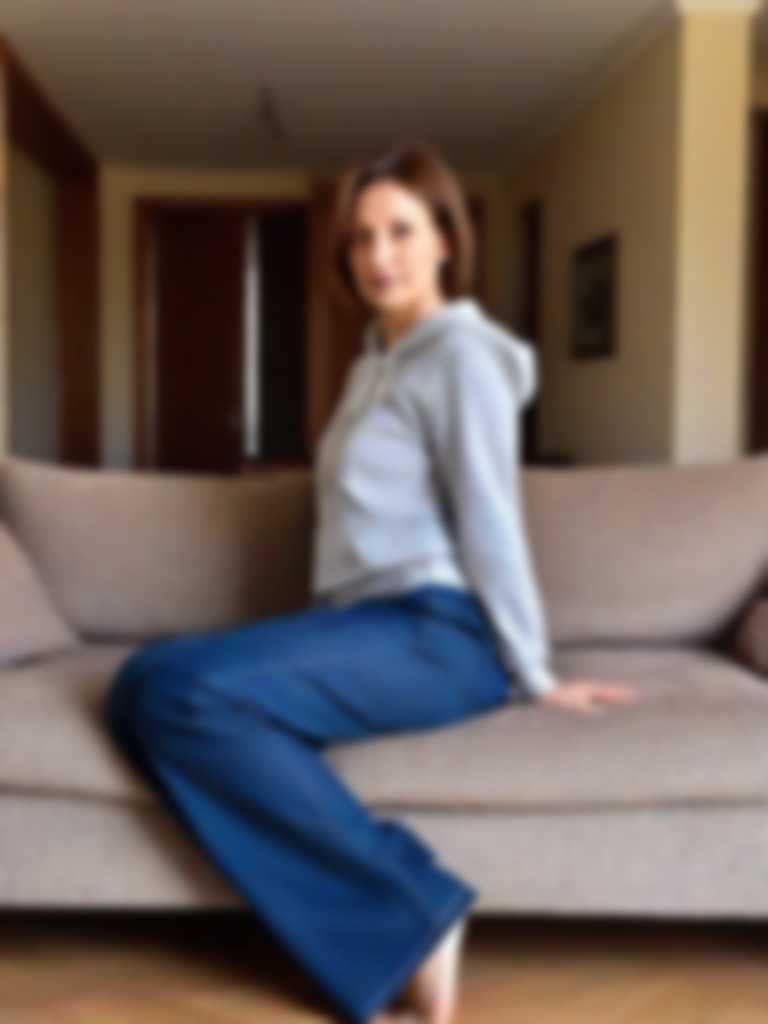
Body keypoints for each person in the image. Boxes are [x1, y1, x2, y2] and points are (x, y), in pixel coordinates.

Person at [102, 140, 640, 1024]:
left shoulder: (463, 358)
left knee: (183, 694)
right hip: (371, 626)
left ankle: (413, 917)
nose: (378, 254)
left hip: (438, 634)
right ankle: (395, 913)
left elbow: (491, 518)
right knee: (137, 687)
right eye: (360, 237)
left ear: (446, 242)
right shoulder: (373, 364)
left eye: (401, 230)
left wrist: (535, 671)